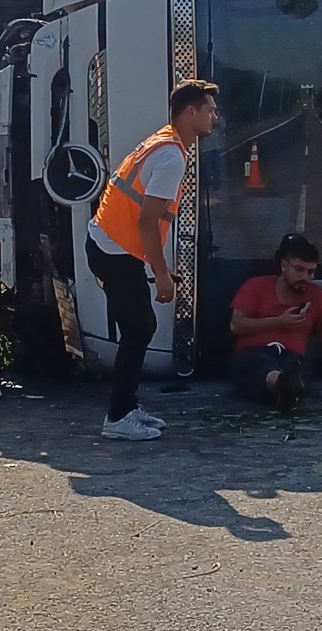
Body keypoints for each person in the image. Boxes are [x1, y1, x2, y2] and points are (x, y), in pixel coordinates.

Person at [86, 79, 220, 441]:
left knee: (138, 327)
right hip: (115, 250)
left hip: (109, 244)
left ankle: (126, 407)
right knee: (139, 329)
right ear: (190, 112)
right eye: (209, 109)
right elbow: (147, 221)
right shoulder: (171, 155)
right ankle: (117, 418)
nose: (215, 117)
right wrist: (161, 275)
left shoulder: (165, 142)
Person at [228, 233, 322, 410]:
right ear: (284, 265)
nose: (305, 277)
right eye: (299, 269)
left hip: (293, 355)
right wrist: (279, 322)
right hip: (255, 351)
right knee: (258, 367)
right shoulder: (256, 286)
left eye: (310, 272)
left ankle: (286, 385)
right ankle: (282, 383)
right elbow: (237, 325)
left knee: (299, 369)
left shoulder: (318, 296)